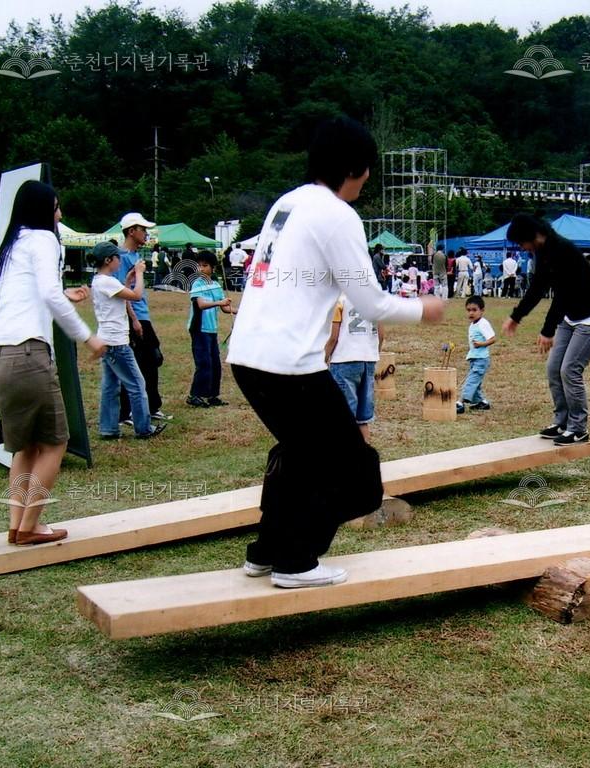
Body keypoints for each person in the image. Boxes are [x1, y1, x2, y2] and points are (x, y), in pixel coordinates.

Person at [226, 116, 445, 589]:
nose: (368, 179)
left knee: (300, 455)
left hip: (248, 355)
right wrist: (423, 309)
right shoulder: (337, 214)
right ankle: (296, 560)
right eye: (368, 169)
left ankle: (266, 552)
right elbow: (371, 302)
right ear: (355, 167)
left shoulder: (288, 202)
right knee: (357, 475)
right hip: (287, 364)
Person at [0, 180, 106, 545]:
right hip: (26, 356)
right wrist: (87, 336)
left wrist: (64, 295)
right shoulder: (43, 239)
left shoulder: (11, 245)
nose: (60, 214)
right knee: (54, 443)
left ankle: (17, 525)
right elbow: (49, 293)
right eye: (56, 207)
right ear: (43, 211)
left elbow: (30, 294)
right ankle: (31, 526)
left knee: (26, 447)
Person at [502, 214, 590, 444]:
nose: (522, 248)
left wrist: (547, 330)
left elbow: (563, 295)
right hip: (571, 316)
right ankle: (562, 421)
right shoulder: (541, 252)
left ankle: (578, 427)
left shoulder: (563, 250)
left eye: (521, 243)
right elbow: (537, 287)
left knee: (569, 370)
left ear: (532, 236)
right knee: (553, 368)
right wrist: (516, 316)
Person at [90, 242, 167, 439]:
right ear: (109, 260)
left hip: (106, 340)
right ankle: (143, 428)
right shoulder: (107, 281)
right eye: (117, 258)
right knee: (137, 384)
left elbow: (121, 294)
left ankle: (108, 428)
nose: (119, 261)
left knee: (110, 386)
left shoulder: (100, 280)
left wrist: (127, 279)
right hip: (117, 343)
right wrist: (140, 274)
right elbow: (136, 295)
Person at [113, 213, 170, 425]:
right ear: (131, 231)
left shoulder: (136, 257)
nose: (146, 234)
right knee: (136, 363)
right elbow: (121, 292)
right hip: (133, 317)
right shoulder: (120, 258)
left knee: (152, 360)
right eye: (143, 229)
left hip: (142, 315)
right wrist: (134, 319)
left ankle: (152, 405)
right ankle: (126, 411)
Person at [325, 294, 383, 442]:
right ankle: (365, 452)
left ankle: (346, 457)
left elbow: (334, 336)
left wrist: (325, 356)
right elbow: (381, 334)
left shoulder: (339, 300)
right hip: (368, 359)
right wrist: (375, 351)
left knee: (344, 415)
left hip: (344, 359)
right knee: (362, 417)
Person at [187, 250, 233, 408]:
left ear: (213, 267)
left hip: (212, 329)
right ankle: (195, 395)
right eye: (199, 266)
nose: (201, 269)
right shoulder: (197, 284)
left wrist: (241, 311)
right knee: (204, 363)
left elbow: (226, 309)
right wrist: (220, 303)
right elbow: (201, 305)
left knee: (215, 364)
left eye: (205, 266)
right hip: (199, 329)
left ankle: (213, 395)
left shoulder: (216, 285)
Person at [455, 295, 495, 414]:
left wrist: (481, 344)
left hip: (481, 360)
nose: (471, 313)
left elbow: (492, 339)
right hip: (474, 358)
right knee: (475, 383)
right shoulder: (473, 324)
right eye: (468, 310)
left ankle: (460, 402)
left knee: (471, 381)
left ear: (482, 311)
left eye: (474, 310)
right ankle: (481, 402)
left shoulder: (483, 323)